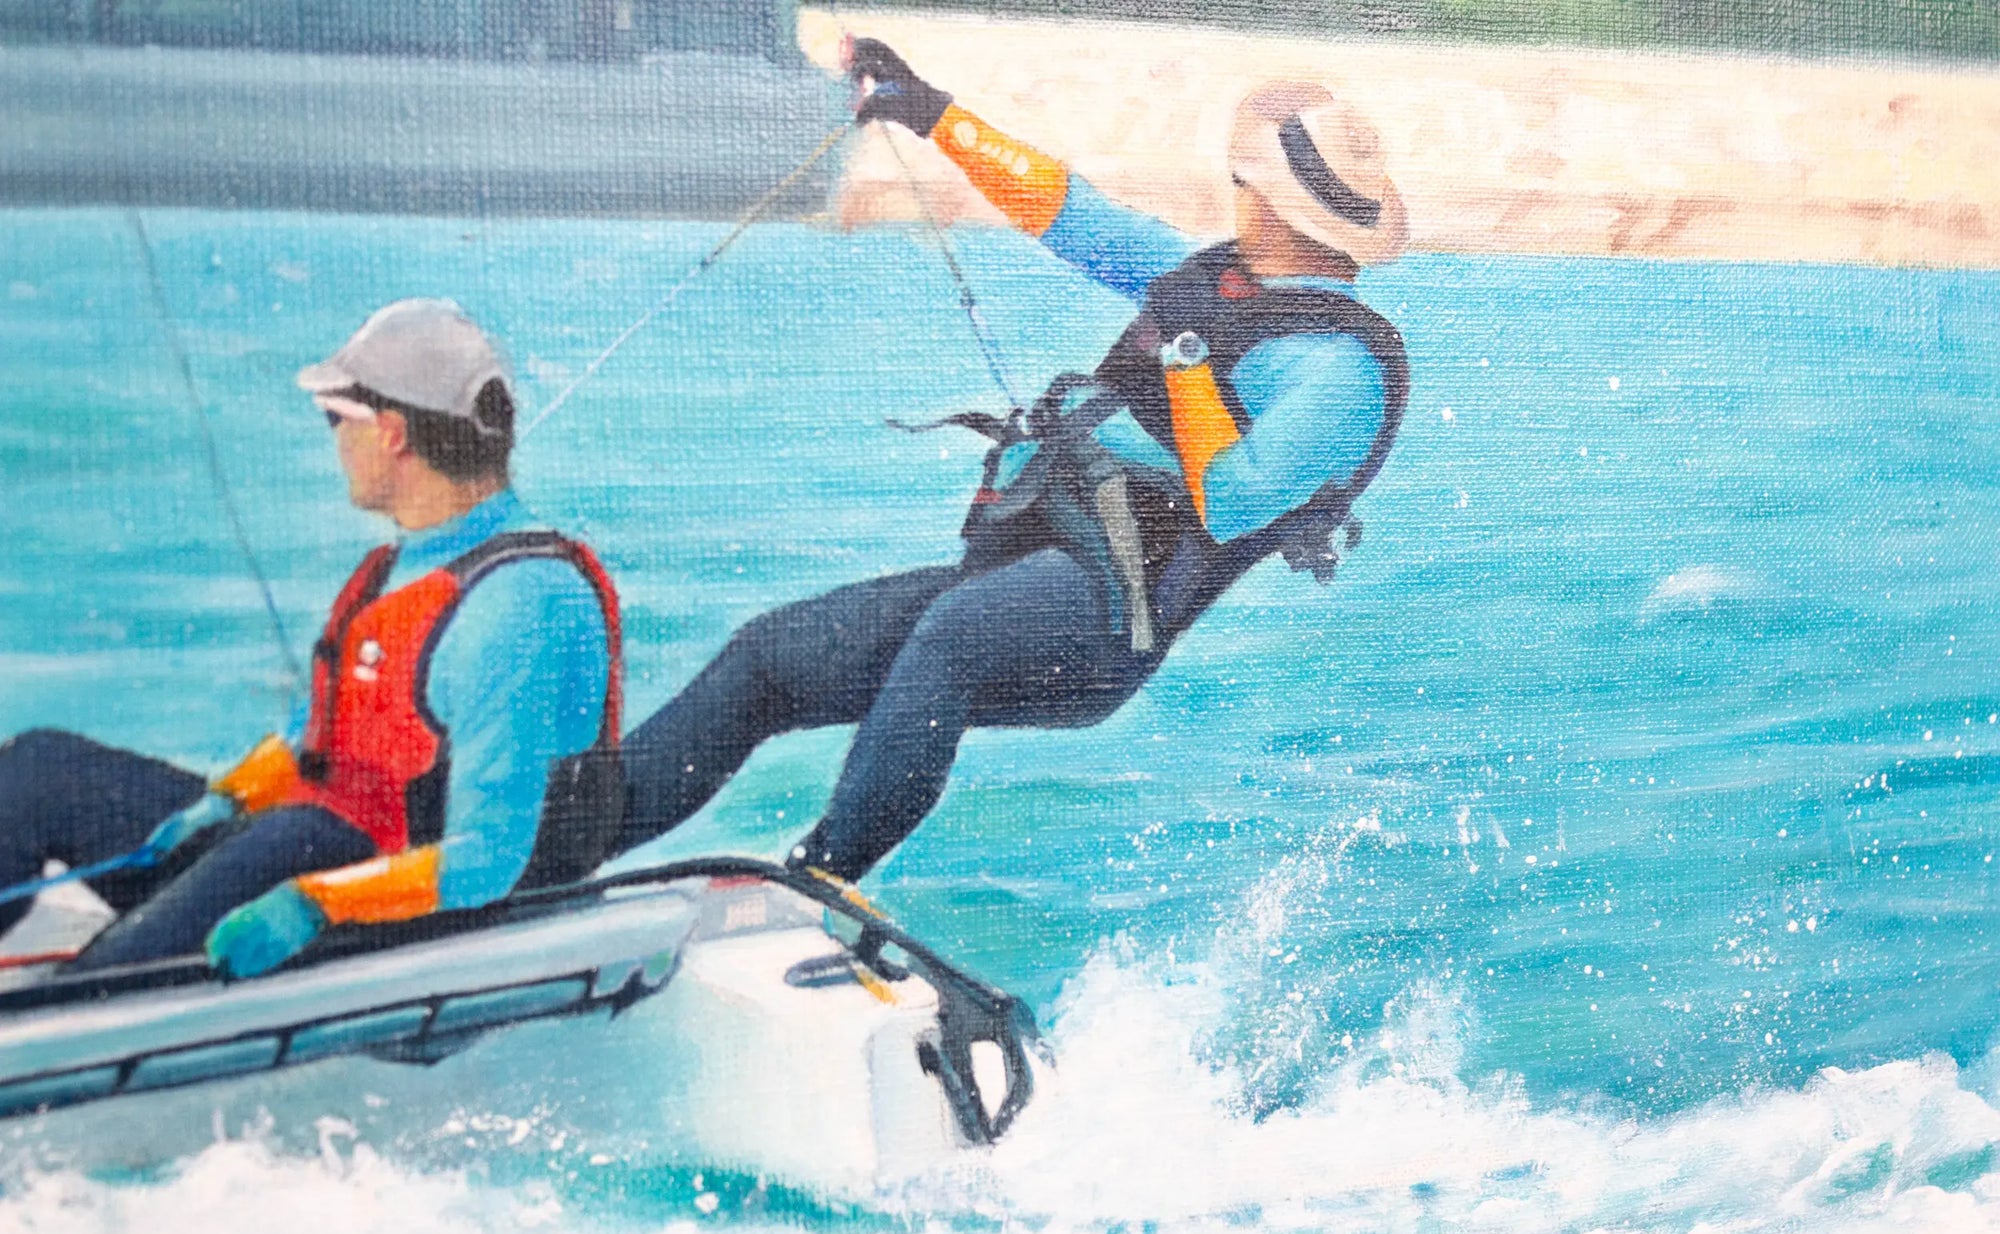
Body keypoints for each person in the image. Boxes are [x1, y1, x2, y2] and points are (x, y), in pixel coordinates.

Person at [613, 41, 1411, 889]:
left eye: (1246, 185)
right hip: (1033, 569)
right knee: (769, 657)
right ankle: (572, 838)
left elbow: (1228, 501)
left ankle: (819, 881)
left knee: (949, 639)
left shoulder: (1342, 370)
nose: (1237, 195)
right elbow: (1070, 214)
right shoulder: (1218, 281)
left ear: (1276, 210)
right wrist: (932, 113)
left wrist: (1184, 354)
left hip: (1109, 622)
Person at [0, 299, 623, 978]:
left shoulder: (518, 605)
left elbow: (490, 856)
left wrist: (311, 904)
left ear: (392, 433)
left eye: (337, 419)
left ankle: (88, 998)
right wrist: (228, 801)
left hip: (386, 906)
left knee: (294, 838)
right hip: (307, 842)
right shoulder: (393, 572)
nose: (334, 441)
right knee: (37, 769)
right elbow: (317, 737)